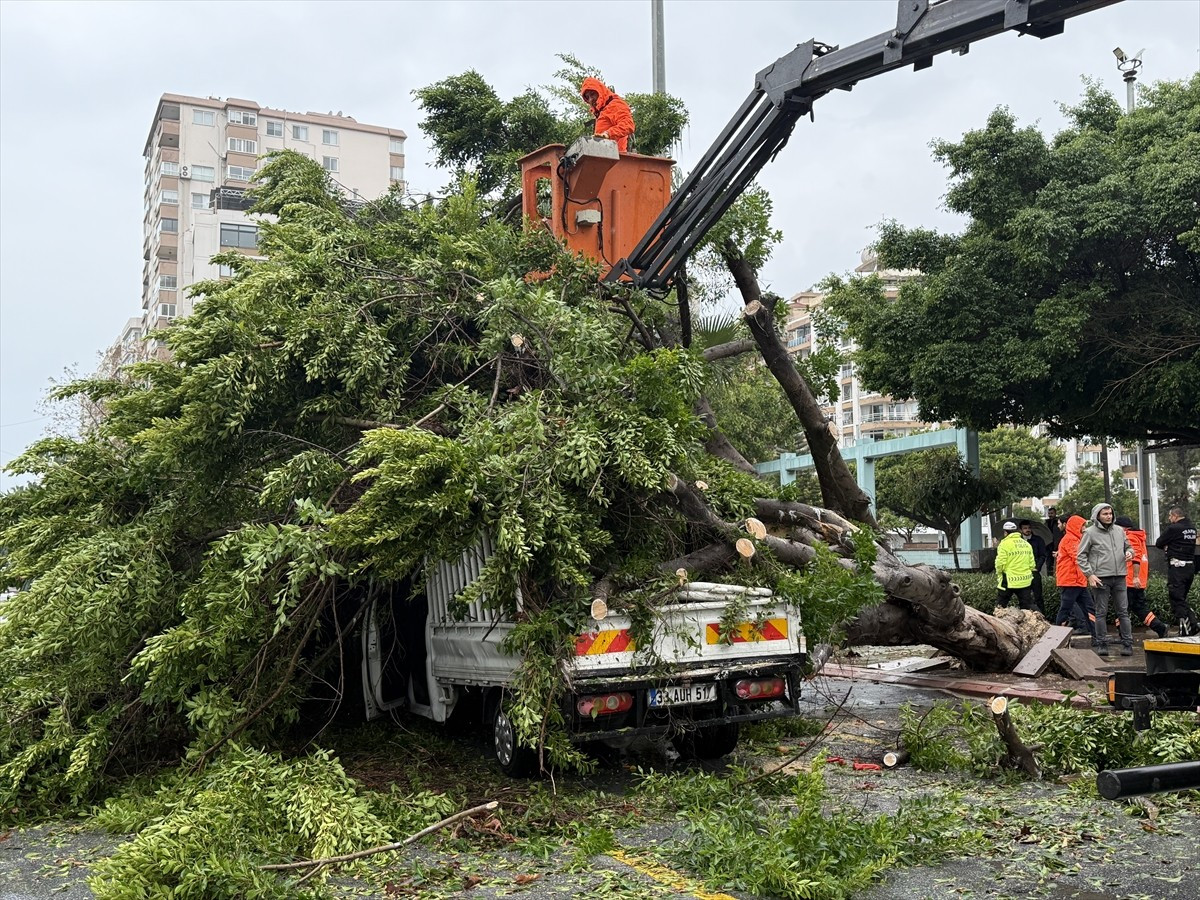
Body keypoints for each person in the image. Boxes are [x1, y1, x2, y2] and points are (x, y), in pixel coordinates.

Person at [1076, 503, 1134, 657]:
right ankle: (1101, 643)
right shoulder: (1089, 533)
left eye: (1110, 513)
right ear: (1097, 516)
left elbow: (1129, 547)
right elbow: (1081, 556)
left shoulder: (1119, 531)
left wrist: (1129, 552)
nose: (1109, 516)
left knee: (1123, 612)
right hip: (1100, 578)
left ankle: (1127, 643)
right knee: (1101, 612)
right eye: (1105, 514)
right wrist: (1089, 574)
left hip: (1120, 576)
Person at [1115, 515, 1168, 639]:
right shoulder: (1138, 537)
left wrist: (1135, 576)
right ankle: (1159, 627)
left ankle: (1124, 636)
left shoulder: (1130, 537)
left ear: (1122, 528)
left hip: (1129, 579)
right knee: (1138, 607)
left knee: (1122, 608)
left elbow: (1135, 557)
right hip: (1136, 579)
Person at [1154, 506, 1199, 636]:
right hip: (1190, 567)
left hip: (1177, 567)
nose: (1169, 519)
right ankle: (1193, 624)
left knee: (1176, 598)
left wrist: (1168, 546)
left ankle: (1185, 629)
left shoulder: (1173, 528)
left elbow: (1158, 542)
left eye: (1170, 516)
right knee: (1182, 598)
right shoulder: (1191, 528)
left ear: (1174, 516)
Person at [1055, 514, 1098, 646]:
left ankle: (1096, 636)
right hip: (1071, 581)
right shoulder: (1070, 540)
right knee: (1067, 609)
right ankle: (1057, 638)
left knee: (1088, 608)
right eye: (1082, 526)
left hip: (1077, 581)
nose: (1085, 528)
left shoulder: (1074, 539)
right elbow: (1079, 557)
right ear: (1075, 527)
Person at [580, 77, 635, 153]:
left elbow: (628, 125)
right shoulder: (602, 111)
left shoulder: (614, 104)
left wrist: (608, 134)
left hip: (617, 158)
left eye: (592, 94)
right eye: (587, 97)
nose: (590, 99)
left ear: (600, 91)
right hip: (605, 157)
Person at [995, 520, 1037, 611]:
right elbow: (1032, 564)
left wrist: (999, 574)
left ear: (1006, 532)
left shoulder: (1004, 544)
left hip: (1009, 580)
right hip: (1025, 581)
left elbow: (1000, 563)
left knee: (1000, 607)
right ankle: (1039, 622)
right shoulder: (1026, 544)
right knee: (1028, 607)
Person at [1019, 519, 1049, 614]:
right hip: (1022, 572)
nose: (1027, 530)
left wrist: (1037, 567)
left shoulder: (1038, 540)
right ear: (1020, 530)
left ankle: (1043, 616)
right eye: (1025, 528)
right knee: (1024, 597)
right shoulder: (1018, 541)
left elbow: (1043, 555)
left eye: (1029, 528)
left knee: (1038, 596)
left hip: (1034, 571)